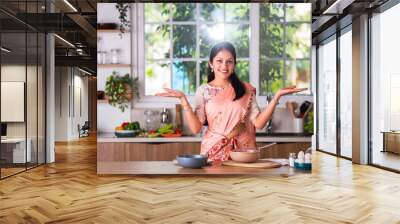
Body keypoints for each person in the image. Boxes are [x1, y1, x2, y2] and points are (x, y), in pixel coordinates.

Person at [156, 41, 306, 161]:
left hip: (242, 152)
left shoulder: (245, 90)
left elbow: (259, 123)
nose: (224, 66)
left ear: (234, 65)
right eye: (219, 61)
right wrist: (183, 100)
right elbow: (196, 128)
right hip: (213, 151)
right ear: (211, 64)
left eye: (229, 61)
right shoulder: (204, 90)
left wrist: (276, 97)